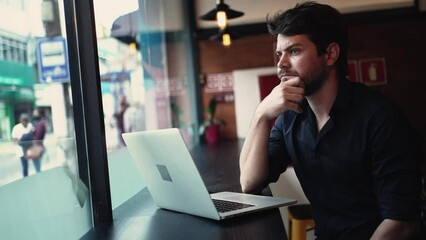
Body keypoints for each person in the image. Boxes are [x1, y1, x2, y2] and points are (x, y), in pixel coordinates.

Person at [239, 2, 423, 239]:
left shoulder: (381, 117)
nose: (281, 63)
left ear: (330, 54)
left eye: (293, 51)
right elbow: (249, 182)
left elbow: (402, 223)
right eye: (279, 53)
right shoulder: (290, 117)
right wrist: (261, 116)